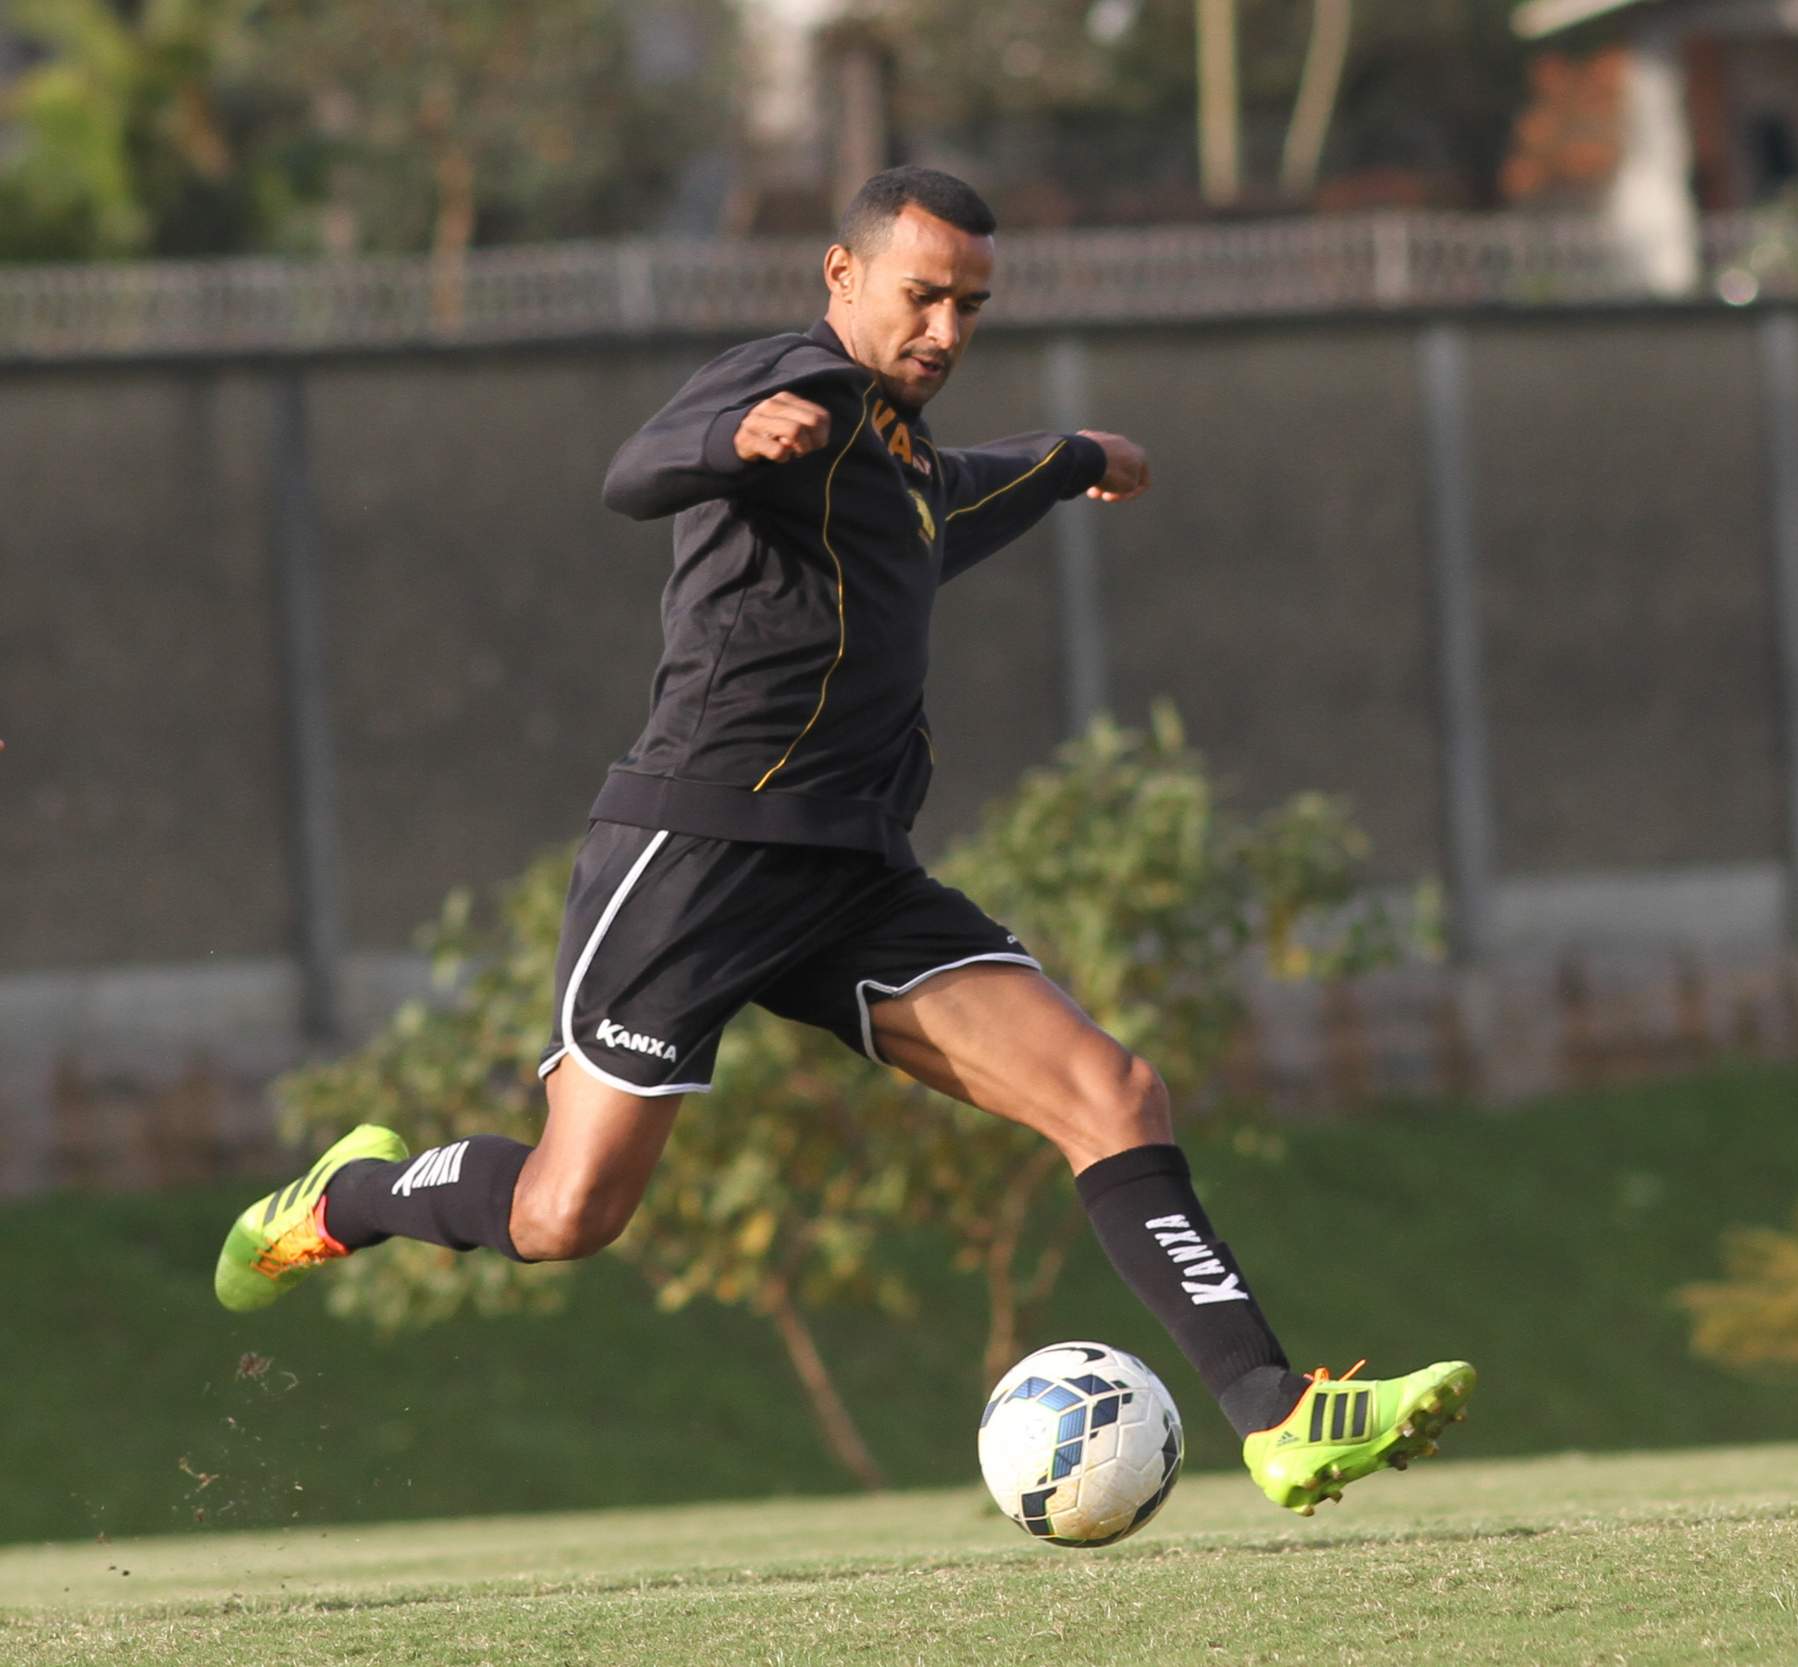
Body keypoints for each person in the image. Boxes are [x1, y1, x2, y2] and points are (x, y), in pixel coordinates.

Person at [213, 166, 1471, 1516]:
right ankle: (352, 1195)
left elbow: (940, 518)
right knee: (565, 1217)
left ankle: (1279, 1417)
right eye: (921, 295)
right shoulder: (796, 384)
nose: (943, 329)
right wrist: (731, 444)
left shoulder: (900, 451)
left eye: (970, 306)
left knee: (1112, 1096)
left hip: (854, 874)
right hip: (695, 859)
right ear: (842, 276)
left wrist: (1070, 462)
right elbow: (634, 472)